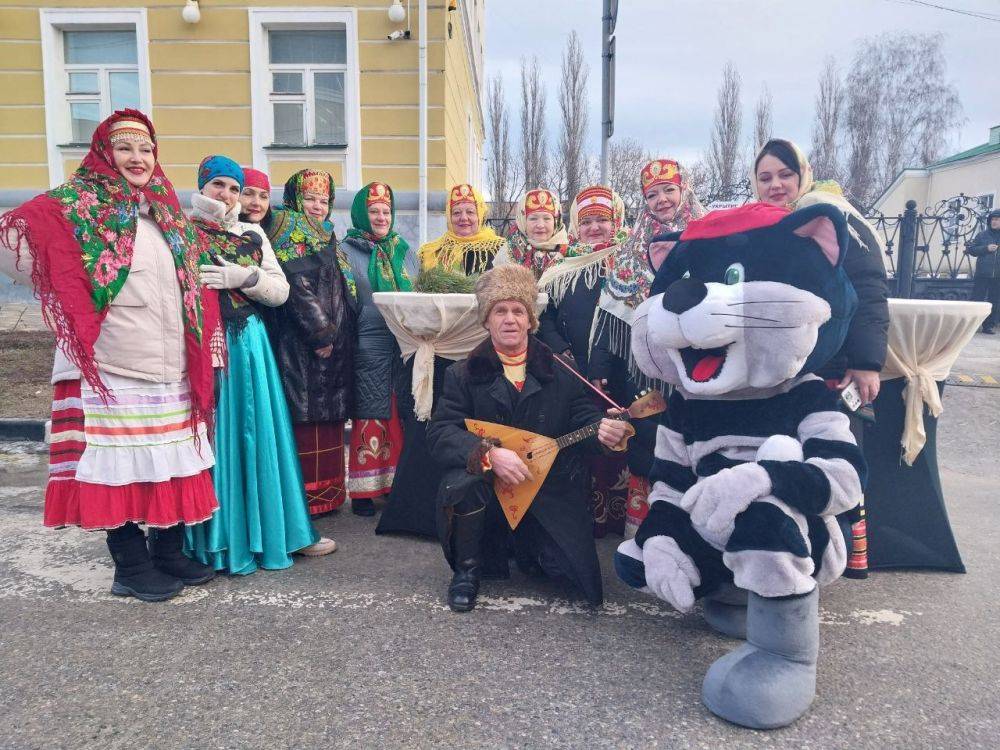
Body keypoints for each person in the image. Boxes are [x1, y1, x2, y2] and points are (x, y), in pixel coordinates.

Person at [0, 110, 220, 602]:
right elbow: (13, 240)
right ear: (104, 153)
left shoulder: (166, 213)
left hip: (170, 365)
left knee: (168, 462)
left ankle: (167, 551)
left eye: (145, 150)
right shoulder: (78, 206)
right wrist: (65, 286)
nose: (137, 159)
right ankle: (129, 563)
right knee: (118, 466)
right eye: (125, 149)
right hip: (111, 366)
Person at [425, 264, 630, 612]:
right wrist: (486, 454)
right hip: (488, 485)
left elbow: (585, 420)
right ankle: (467, 570)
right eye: (499, 311)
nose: (509, 319)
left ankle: (528, 546)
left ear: (531, 320)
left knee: (568, 576)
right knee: (464, 482)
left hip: (545, 484)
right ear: (486, 320)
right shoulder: (462, 373)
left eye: (518, 310)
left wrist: (606, 430)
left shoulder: (562, 371)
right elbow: (441, 431)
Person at [185, 155, 336, 575]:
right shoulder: (182, 230)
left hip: (248, 343)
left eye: (235, 188)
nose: (228, 195)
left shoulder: (251, 234)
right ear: (202, 187)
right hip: (203, 345)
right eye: (219, 185)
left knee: (258, 434)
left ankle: (273, 533)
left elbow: (281, 292)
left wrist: (244, 278)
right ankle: (212, 540)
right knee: (213, 440)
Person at [753, 137, 889, 578]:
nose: (776, 185)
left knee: (831, 455)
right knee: (788, 456)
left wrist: (867, 361)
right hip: (783, 369)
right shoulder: (766, 226)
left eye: (785, 174)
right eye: (766, 177)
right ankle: (796, 549)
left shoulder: (836, 216)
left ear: (803, 175)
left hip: (830, 365)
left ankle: (839, 555)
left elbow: (868, 292)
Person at [591, 159, 706, 538]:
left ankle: (694, 535)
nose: (661, 200)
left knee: (696, 448)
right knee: (649, 449)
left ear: (684, 190)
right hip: (646, 375)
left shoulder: (709, 241)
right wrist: (601, 369)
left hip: (698, 371)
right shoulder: (631, 252)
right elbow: (609, 321)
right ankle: (647, 536)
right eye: (652, 194)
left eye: (668, 190)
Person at [258, 169, 357, 516]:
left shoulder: (324, 233)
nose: (317, 207)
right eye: (310, 199)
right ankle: (305, 502)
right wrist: (321, 333)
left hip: (329, 343)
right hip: (304, 343)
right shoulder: (289, 232)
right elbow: (297, 287)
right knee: (306, 416)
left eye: (322, 200)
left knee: (325, 418)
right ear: (296, 201)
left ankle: (327, 496)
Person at [536, 185, 631, 537]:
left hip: (619, 372)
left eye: (602, 220)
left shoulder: (627, 262)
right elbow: (544, 317)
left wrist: (606, 366)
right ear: (576, 224)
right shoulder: (563, 266)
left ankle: (619, 518)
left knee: (617, 439)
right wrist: (562, 351)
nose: (594, 228)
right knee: (582, 439)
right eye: (587, 221)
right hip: (573, 371)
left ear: (615, 221)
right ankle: (588, 517)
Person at [340, 181, 418, 515]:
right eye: (373, 211)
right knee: (371, 412)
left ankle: (395, 485)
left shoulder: (404, 250)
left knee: (399, 415)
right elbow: (342, 301)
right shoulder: (345, 250)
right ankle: (362, 492)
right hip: (367, 340)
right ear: (361, 213)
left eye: (386, 211)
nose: (381, 217)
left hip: (402, 343)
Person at [492, 188, 571, 278]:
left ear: (556, 221)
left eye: (547, 218)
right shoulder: (508, 252)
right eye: (533, 218)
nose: (540, 225)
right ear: (523, 221)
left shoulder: (570, 251)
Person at [968, 208, 1000, 334]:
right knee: (977, 299)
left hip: (998, 275)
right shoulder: (982, 235)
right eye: (993, 219)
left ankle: (989, 326)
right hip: (982, 273)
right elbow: (972, 250)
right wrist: (986, 248)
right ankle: (972, 324)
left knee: (994, 301)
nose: (994, 222)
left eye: (997, 220)